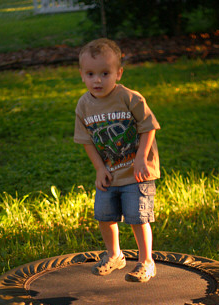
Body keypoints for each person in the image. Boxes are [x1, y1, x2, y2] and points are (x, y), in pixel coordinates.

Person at [74, 38, 160, 282]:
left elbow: (148, 126)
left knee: (137, 218)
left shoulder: (129, 98)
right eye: (90, 74)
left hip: (137, 172)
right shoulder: (83, 105)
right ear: (82, 75)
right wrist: (99, 169)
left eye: (105, 73)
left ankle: (146, 261)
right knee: (104, 215)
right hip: (109, 174)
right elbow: (87, 141)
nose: (97, 80)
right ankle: (115, 255)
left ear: (118, 73)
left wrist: (142, 158)